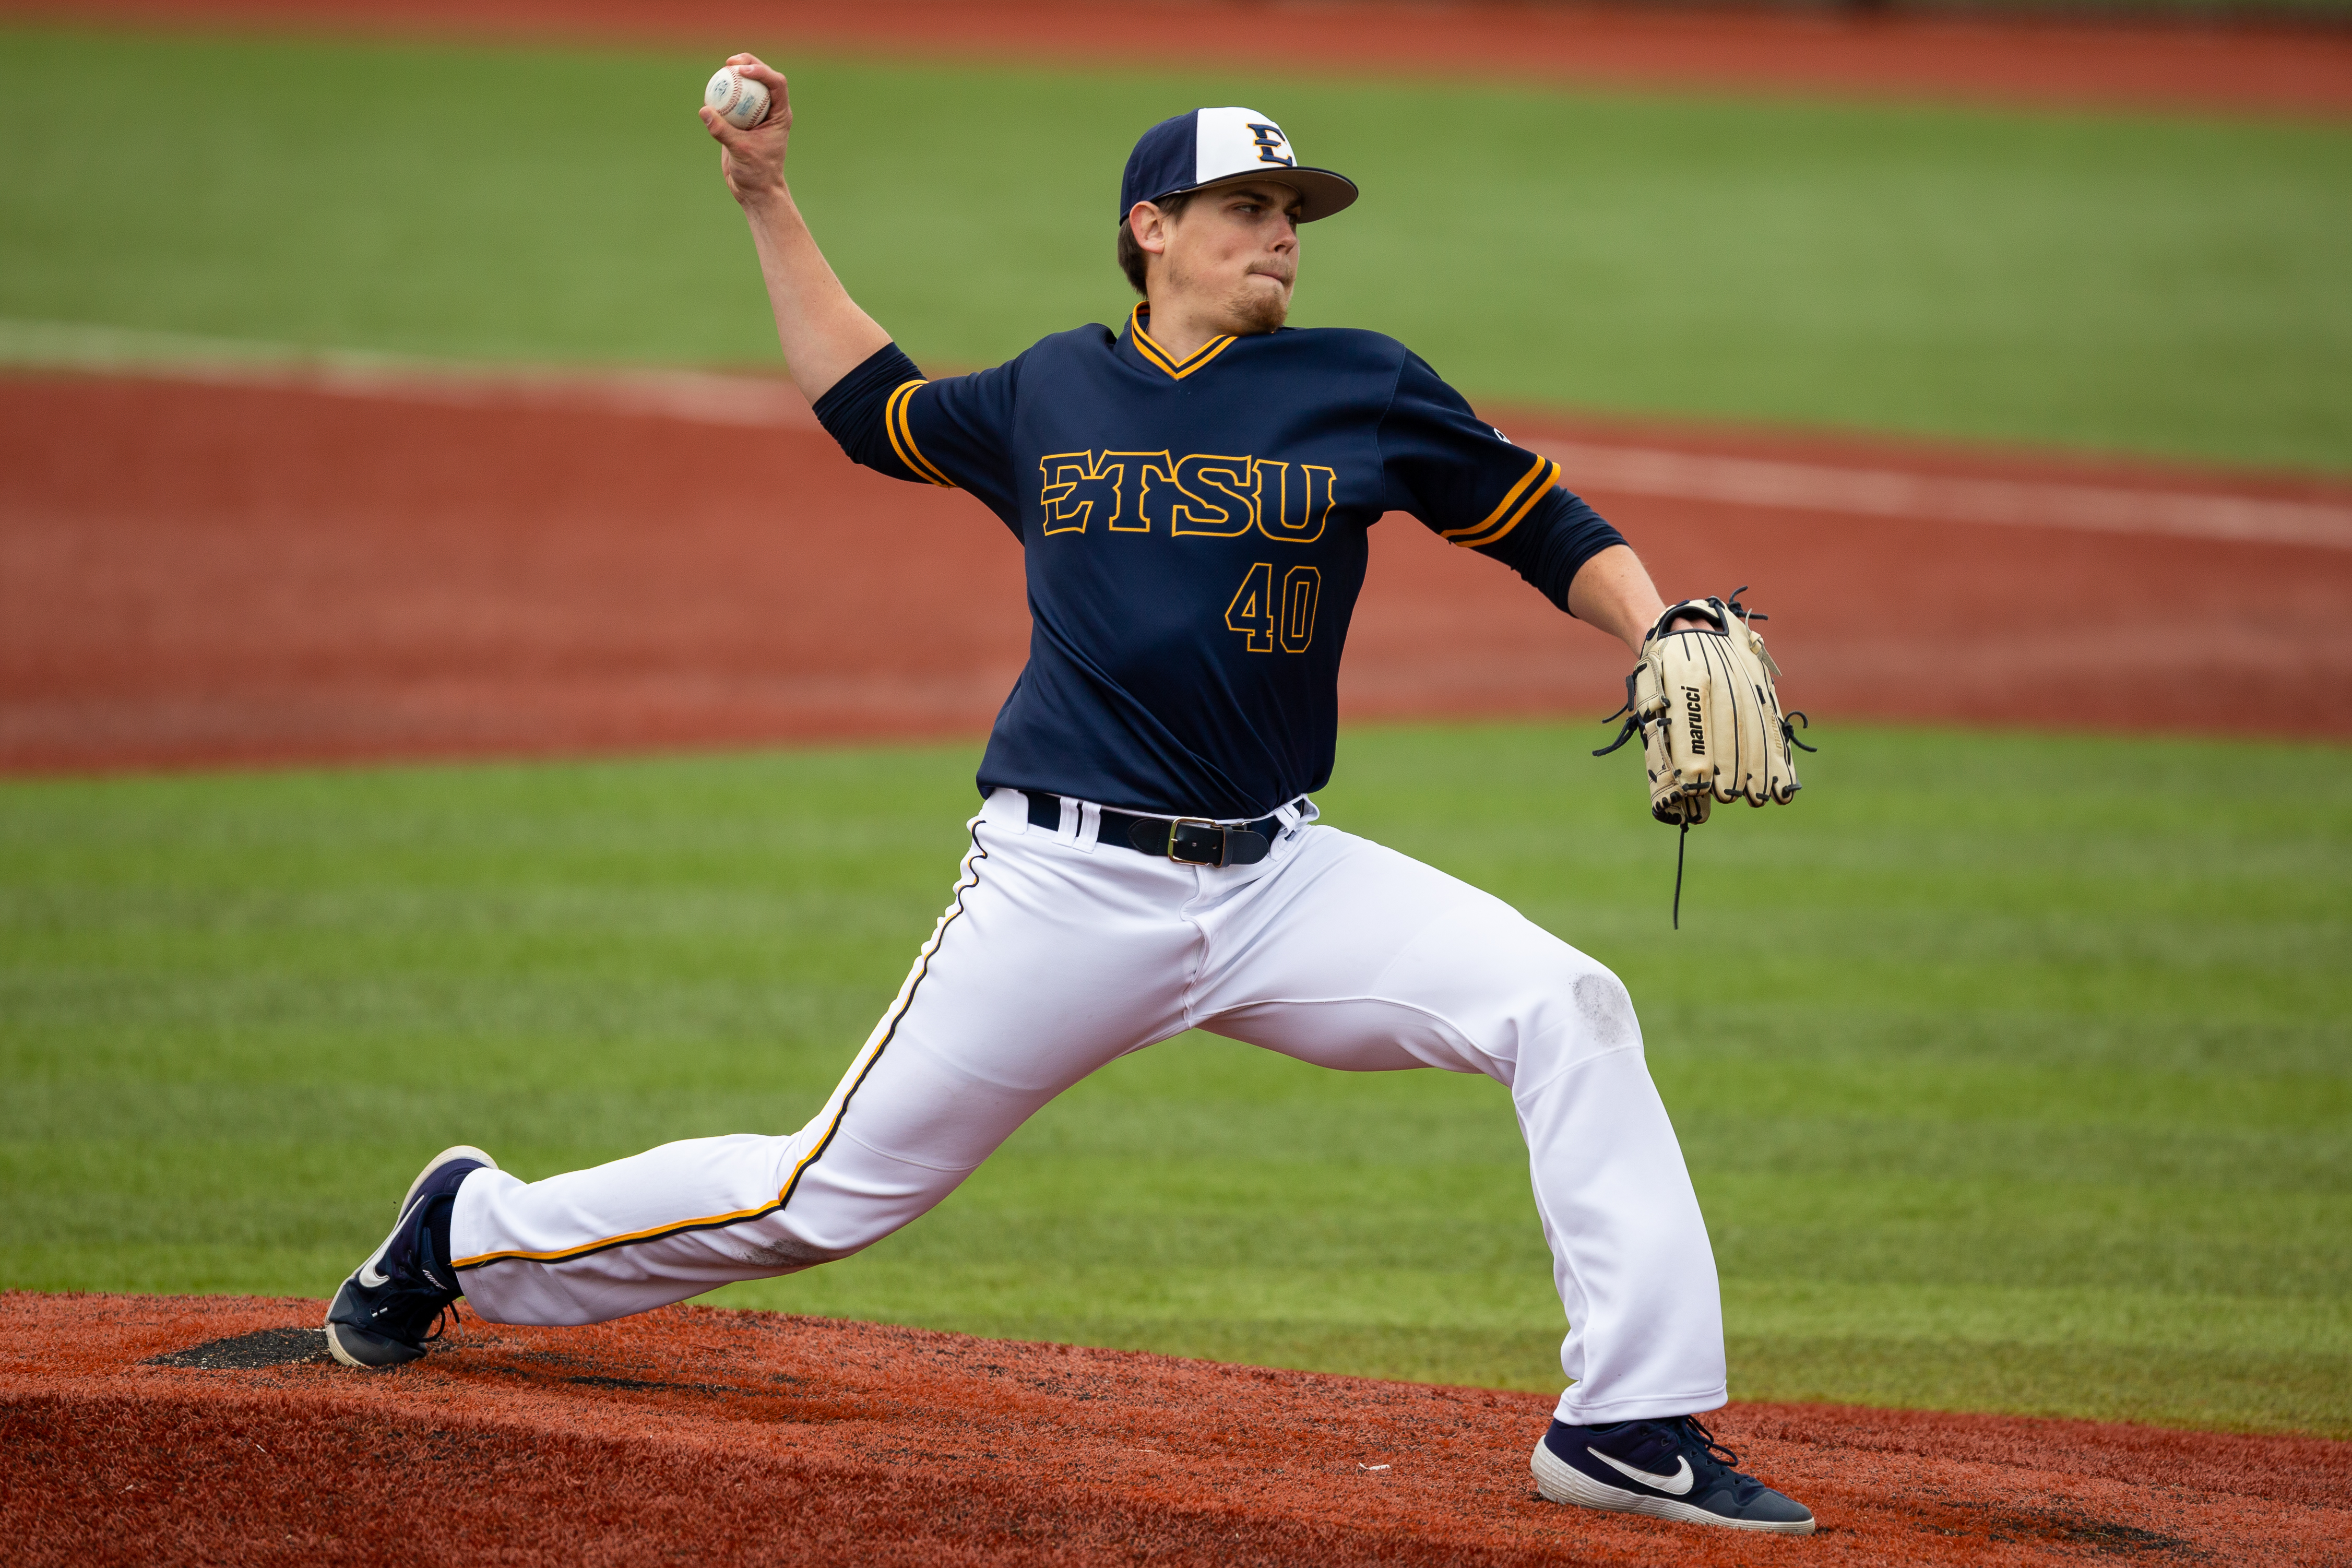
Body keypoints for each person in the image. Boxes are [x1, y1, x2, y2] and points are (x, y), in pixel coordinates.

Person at [322, 59, 1814, 1537]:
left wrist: (1657, 622)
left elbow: (1540, 517)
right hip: (1065, 886)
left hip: (1280, 885)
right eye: (1247, 205)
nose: (1283, 230)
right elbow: (870, 404)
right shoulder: (1053, 387)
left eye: (1293, 208)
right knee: (823, 1195)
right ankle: (471, 1226)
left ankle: (1623, 1418)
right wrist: (769, 202)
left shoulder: (1361, 383)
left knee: (1564, 1004)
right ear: (1150, 228)